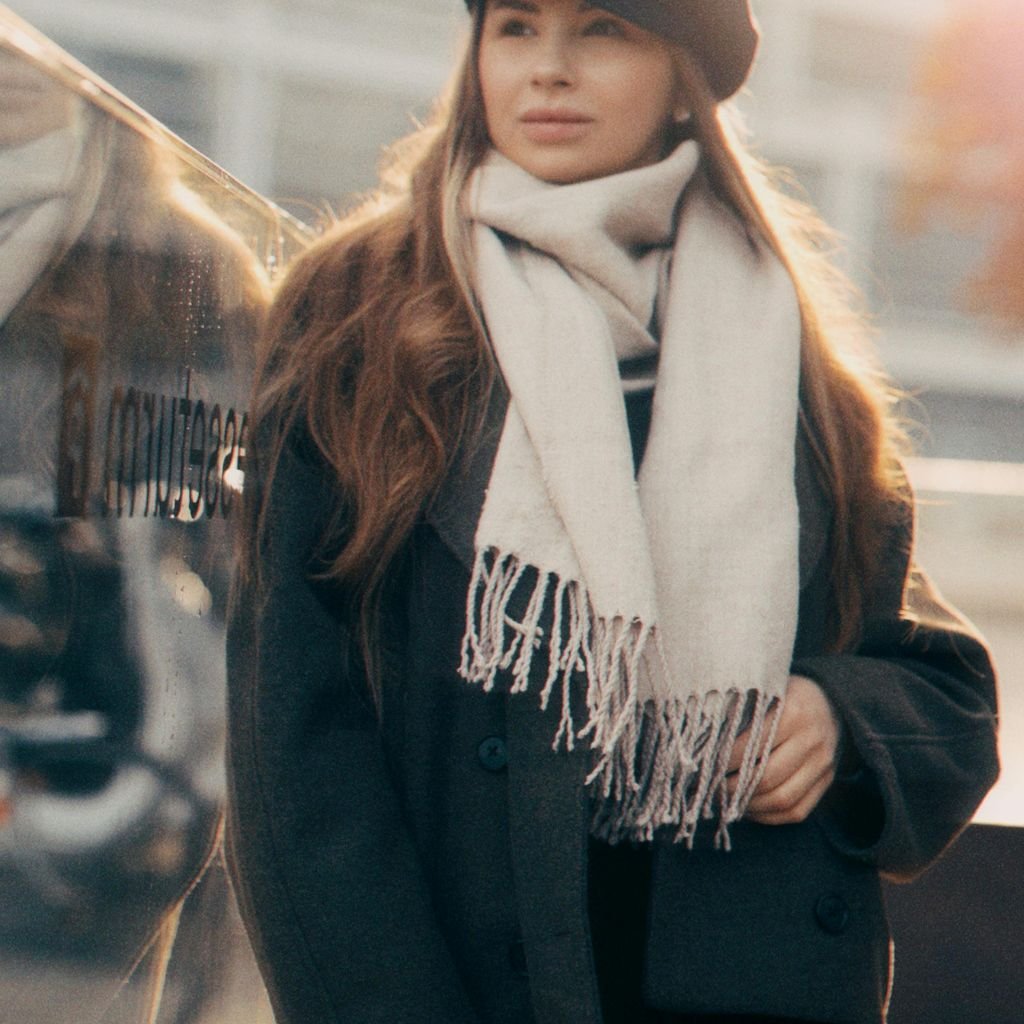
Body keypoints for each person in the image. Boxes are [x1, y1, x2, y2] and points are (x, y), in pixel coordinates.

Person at [224, 2, 999, 1022]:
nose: (547, 68)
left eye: (600, 28)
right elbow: (292, 732)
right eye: (513, 25)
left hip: (747, 977)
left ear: (684, 75)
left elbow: (942, 684)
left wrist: (840, 718)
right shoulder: (360, 309)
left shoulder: (787, 346)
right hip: (462, 979)